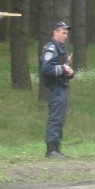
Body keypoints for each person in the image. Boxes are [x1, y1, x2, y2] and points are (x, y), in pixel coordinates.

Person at [41, 21, 75, 158]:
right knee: (55, 118)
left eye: (67, 33)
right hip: (55, 88)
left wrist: (70, 72)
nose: (66, 35)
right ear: (55, 32)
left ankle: (57, 148)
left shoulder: (61, 48)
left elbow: (63, 68)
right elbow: (46, 69)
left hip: (62, 86)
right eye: (63, 32)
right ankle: (51, 150)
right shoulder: (50, 48)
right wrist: (63, 68)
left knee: (60, 118)